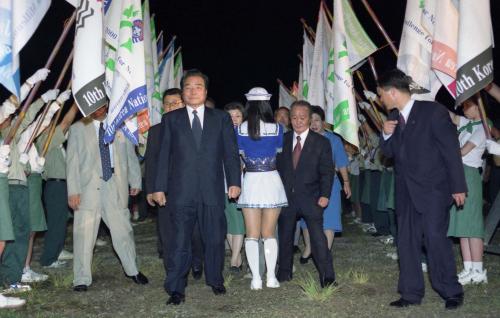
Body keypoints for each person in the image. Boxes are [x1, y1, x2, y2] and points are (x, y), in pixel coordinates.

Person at [378, 69, 466, 310]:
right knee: (405, 242)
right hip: (405, 193)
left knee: (436, 240)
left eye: (381, 95)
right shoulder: (394, 120)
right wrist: (385, 135)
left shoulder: (433, 112)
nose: (380, 100)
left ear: (392, 92)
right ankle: (410, 292)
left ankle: (451, 291)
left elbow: (451, 151)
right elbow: (389, 154)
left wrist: (458, 186)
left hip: (433, 191)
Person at [152, 70, 241, 305]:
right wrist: (159, 187)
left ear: (206, 91)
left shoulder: (220, 118)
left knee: (214, 239)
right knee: (180, 241)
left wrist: (234, 182)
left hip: (211, 190)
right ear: (183, 92)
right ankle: (176, 288)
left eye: (198, 86)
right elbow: (164, 157)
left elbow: (230, 154)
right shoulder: (172, 119)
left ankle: (215, 280)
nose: (193, 91)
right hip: (181, 192)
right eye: (188, 87)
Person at [66, 105, 148, 292]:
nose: (98, 109)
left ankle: (132, 270)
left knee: (123, 230)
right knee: (84, 235)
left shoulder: (121, 126)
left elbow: (130, 155)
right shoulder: (78, 128)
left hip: (115, 183)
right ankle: (81, 278)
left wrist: (135, 180)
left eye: (102, 104)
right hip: (87, 188)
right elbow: (72, 162)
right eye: (93, 105)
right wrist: (73, 191)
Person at [276, 100, 336, 287]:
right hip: (286, 198)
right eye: (294, 117)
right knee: (285, 236)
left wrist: (325, 195)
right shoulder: (283, 140)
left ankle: (327, 276)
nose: (298, 121)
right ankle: (284, 273)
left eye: (302, 118)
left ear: (310, 119)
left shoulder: (322, 142)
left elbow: (327, 171)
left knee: (318, 238)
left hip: (312, 198)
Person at [236, 88, 287, 290]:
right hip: (271, 180)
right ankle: (271, 277)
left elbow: (240, 155)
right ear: (267, 105)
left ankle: (256, 278)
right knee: (269, 233)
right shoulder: (278, 129)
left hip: (250, 180)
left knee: (252, 233)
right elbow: (278, 151)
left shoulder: (239, 129)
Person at [299, 106, 350, 263]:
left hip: (330, 185)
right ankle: (309, 247)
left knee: (329, 219)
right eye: (311, 120)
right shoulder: (301, 139)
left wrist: (346, 182)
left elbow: (341, 163)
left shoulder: (333, 140)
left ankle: (324, 254)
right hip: (307, 186)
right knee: (307, 219)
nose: (314, 124)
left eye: (317, 120)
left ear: (323, 122)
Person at [447, 97, 488, 285]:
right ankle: (468, 268)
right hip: (458, 173)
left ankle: (479, 270)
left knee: (472, 225)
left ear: (479, 107)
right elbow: (451, 116)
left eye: (467, 105)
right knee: (462, 226)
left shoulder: (482, 128)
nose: (463, 108)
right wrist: (425, 98)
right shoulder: (467, 124)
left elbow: (463, 151)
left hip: (469, 174)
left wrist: (442, 149)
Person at [37, 103, 78, 268]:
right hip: (55, 186)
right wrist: (76, 105)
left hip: (61, 185)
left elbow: (69, 128)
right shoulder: (46, 138)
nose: (55, 120)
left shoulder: (55, 139)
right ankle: (48, 259)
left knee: (61, 222)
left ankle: (57, 250)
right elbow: (66, 123)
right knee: (55, 223)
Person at [223, 102, 246, 273]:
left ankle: (234, 259)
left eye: (237, 115)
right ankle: (237, 257)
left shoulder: (247, 136)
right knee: (228, 221)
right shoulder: (219, 134)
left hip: (242, 183)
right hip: (221, 182)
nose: (234, 119)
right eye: (230, 116)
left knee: (238, 221)